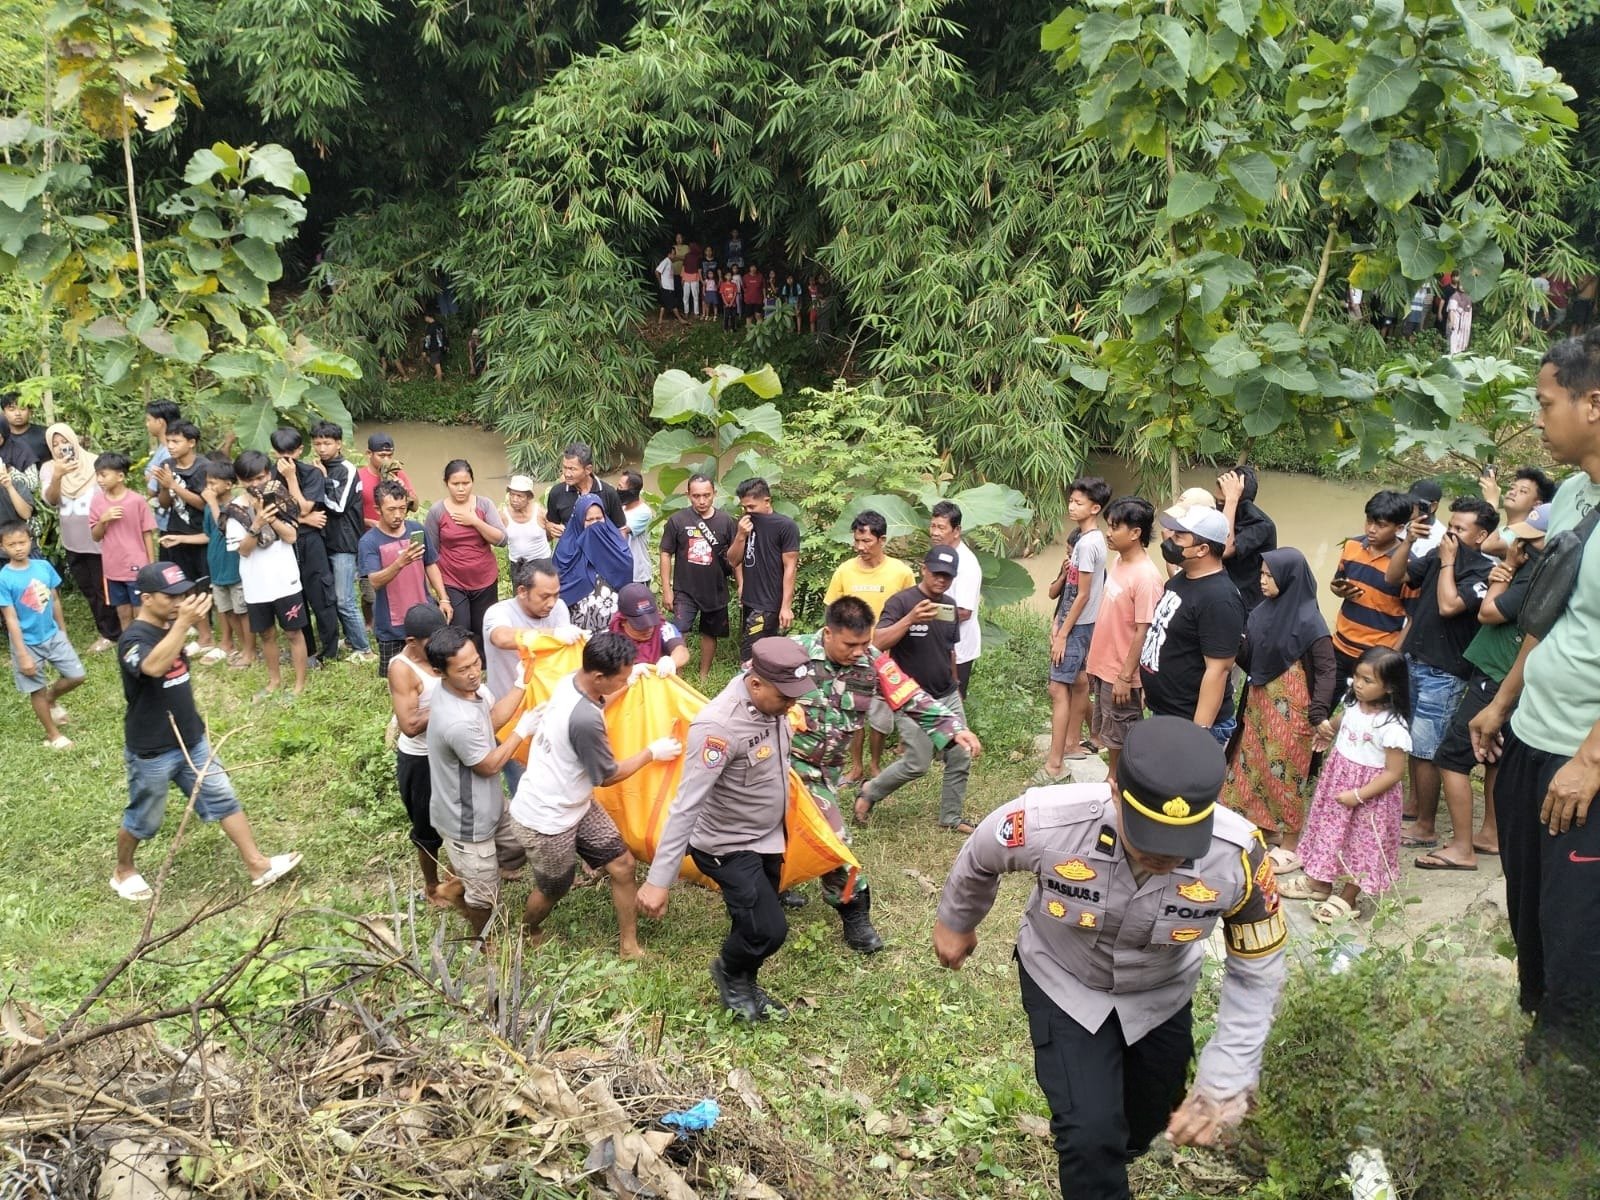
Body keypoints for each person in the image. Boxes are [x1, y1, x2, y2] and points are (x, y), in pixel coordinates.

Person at [933, 716, 1287, 1200]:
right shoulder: (1050, 820)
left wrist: (1227, 1076)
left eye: (1180, 846)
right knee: (1089, 1136)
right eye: (1149, 837)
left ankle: (1122, 1142)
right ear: (1116, 792)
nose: (1164, 858)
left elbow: (1257, 975)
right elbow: (982, 853)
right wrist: (957, 920)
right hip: (1065, 980)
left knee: (1149, 1117)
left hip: (1161, 993)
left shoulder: (1240, 857)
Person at [1470, 333, 1600, 1067]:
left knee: (1579, 927)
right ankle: (1543, 1048)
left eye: (1546, 403)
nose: (1538, 418)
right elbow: (1549, 614)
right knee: (1532, 913)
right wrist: (1504, 701)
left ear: (1594, 403)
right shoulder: (1575, 496)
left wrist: (1590, 760)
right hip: (1531, 739)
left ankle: (1573, 1079)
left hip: (1585, 765)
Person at [636, 638, 817, 1020]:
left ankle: (746, 985)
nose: (792, 705)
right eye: (785, 697)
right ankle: (730, 972)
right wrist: (658, 881)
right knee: (769, 930)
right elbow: (686, 806)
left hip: (767, 836)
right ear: (756, 684)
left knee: (751, 921)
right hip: (726, 843)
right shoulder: (718, 727)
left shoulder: (773, 704)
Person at [790, 597, 983, 950]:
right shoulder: (793, 654)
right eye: (850, 644)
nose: (859, 652)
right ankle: (834, 906)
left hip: (823, 773)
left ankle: (847, 908)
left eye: (865, 642)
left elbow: (912, 697)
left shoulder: (872, 662)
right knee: (805, 837)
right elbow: (746, 691)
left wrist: (953, 728)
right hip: (783, 764)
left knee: (822, 838)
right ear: (828, 633)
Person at [111, 561, 301, 902]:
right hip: (152, 749)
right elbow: (153, 667)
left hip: (191, 740)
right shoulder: (133, 639)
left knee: (223, 797)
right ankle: (123, 870)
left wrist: (181, 626)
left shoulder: (170, 627)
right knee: (144, 818)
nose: (179, 602)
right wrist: (183, 624)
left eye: (182, 595)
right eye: (170, 597)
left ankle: (257, 865)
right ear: (146, 598)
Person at [510, 631, 682, 957]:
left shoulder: (572, 681)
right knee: (554, 887)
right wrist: (651, 752)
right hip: (548, 817)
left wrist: (628, 683)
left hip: (576, 802)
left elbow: (600, 703)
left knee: (623, 865)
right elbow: (607, 776)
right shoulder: (584, 720)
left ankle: (629, 945)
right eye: (621, 678)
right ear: (599, 677)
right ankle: (526, 928)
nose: (624, 682)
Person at [1423, 504, 1546, 870]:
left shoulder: (1530, 576)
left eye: (1528, 539)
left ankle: (1462, 849)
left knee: (1451, 758)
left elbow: (1487, 612)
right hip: (1510, 676)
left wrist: (1504, 572)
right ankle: (1490, 834)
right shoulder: (1542, 571)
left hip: (1496, 676)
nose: (1518, 543)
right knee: (1493, 757)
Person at [1383, 495, 1496, 849]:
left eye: (1460, 528)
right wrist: (1409, 541)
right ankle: (1416, 808)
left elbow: (1449, 606)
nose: (1451, 533)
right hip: (1414, 660)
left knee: (1426, 750)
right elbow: (1393, 576)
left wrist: (1447, 562)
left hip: (1445, 672)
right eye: (1451, 525)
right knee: (1413, 744)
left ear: (1481, 536)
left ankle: (1426, 827)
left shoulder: (1484, 572)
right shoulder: (1436, 555)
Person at [1279, 648, 1411, 923]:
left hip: (1370, 797)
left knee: (1362, 843)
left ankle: (1349, 897)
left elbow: (1394, 772)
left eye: (1367, 680)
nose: (1358, 685)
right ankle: (1319, 882)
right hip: (1339, 784)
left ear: (1390, 687)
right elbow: (1342, 721)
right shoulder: (1354, 706)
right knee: (1329, 833)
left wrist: (1359, 795)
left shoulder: (1392, 726)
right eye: (1357, 677)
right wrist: (1328, 731)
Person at [425, 625, 537, 939]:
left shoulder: (465, 691)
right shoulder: (456, 721)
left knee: (523, 842)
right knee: (485, 897)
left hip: (490, 804)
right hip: (468, 820)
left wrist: (521, 684)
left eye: (476, 662)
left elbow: (489, 720)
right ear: (440, 672)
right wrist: (521, 731)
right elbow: (488, 766)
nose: (474, 673)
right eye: (463, 669)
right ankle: (483, 941)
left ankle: (461, 882)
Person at [1231, 549, 1337, 873]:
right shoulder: (1261, 612)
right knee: (1253, 766)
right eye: (1261, 574)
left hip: (1293, 712)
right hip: (1259, 705)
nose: (1262, 581)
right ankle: (1264, 828)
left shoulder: (1310, 621)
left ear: (1289, 579)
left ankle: (1291, 845)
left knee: (1287, 774)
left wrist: (1319, 714)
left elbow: (1326, 670)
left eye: (1269, 575)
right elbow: (1251, 659)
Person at [857, 547, 977, 832]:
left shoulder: (949, 606)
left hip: (946, 693)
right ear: (924, 569)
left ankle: (951, 818)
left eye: (947, 576)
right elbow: (877, 642)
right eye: (936, 573)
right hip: (910, 697)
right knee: (917, 763)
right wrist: (910, 619)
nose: (941, 580)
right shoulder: (902, 602)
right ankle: (870, 791)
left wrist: (956, 685)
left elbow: (949, 650)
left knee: (961, 754)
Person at [1139, 504, 1245, 746]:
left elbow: (1218, 670)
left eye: (1179, 536)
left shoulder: (1220, 599)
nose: (1170, 541)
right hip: (1167, 712)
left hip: (1190, 723)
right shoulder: (1180, 580)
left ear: (1202, 549)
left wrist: (1198, 735)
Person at [823, 509, 916, 782]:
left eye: (867, 541)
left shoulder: (901, 573)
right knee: (853, 711)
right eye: (857, 541)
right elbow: (832, 612)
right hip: (852, 654)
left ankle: (875, 765)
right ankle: (856, 766)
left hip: (887, 654)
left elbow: (910, 613)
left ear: (882, 540)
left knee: (881, 715)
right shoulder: (844, 571)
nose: (860, 547)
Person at [1083, 497, 1163, 781]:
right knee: (1109, 734)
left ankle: (1118, 786)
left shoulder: (1146, 578)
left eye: (1115, 527)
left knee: (1122, 736)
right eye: (1108, 526)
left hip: (1121, 673)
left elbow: (1144, 631)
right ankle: (1113, 780)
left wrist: (1126, 676)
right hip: (1105, 667)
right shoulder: (1119, 561)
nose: (1108, 533)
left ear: (1135, 533)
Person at [226, 450, 311, 699]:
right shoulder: (234, 511)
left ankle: (299, 684)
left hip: (285, 580)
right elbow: (243, 551)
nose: (256, 484)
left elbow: (291, 536)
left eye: (261, 477)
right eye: (249, 479)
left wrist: (270, 518)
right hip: (256, 583)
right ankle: (274, 681)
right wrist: (256, 524)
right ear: (239, 480)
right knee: (266, 634)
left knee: (294, 632)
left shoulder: (281, 500)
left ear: (269, 475)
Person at [1041, 477, 1109, 781]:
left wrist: (1062, 633)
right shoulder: (1087, 541)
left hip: (1078, 627)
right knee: (1079, 682)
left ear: (1095, 508)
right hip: (1082, 625)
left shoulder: (1088, 544)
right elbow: (1069, 590)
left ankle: (1055, 763)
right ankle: (1070, 744)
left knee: (1058, 689)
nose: (1071, 506)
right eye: (1071, 501)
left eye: (1079, 502)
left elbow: (1081, 595)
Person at [387, 603, 454, 908]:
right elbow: (410, 725)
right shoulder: (402, 669)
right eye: (431, 643)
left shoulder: (441, 653)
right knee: (426, 827)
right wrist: (450, 698)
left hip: (450, 752)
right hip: (421, 759)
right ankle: (431, 886)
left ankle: (456, 874)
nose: (439, 647)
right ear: (412, 642)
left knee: (461, 815)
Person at [1, 521, 85, 749]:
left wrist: (63, 631)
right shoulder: (4, 578)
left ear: (31, 541)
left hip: (52, 635)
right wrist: (22, 654)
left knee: (77, 676)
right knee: (36, 689)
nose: (18, 548)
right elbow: (10, 618)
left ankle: (51, 698)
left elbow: (55, 599)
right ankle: (53, 734)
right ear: (2, 547)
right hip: (27, 643)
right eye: (11, 544)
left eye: (22, 542)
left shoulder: (43, 566)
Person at [38, 423, 120, 650]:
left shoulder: (95, 463)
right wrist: (58, 476)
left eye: (64, 441)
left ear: (73, 440)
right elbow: (52, 500)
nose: (60, 447)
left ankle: (113, 632)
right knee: (88, 587)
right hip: (73, 540)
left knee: (104, 586)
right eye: (55, 444)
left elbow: (113, 493)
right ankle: (107, 629)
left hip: (100, 537)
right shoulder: (48, 469)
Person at [360, 480, 451, 679]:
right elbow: (374, 581)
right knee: (395, 678)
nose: (398, 515)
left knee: (433, 673)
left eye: (402, 508)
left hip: (424, 617)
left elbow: (430, 564)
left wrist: (443, 598)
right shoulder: (369, 541)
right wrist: (400, 562)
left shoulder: (416, 530)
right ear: (378, 509)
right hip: (391, 624)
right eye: (391, 509)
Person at [152, 420, 223, 662]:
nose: (170, 446)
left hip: (201, 534)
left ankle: (220, 638)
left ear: (191, 443)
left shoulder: (204, 468)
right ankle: (204, 636)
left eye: (176, 441)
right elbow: (165, 502)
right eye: (168, 441)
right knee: (186, 587)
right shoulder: (168, 465)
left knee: (206, 588)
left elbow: (204, 503)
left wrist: (174, 485)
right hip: (176, 532)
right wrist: (165, 488)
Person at [1328, 489, 1414, 686]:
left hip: (1376, 656)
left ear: (1400, 528)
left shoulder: (1408, 565)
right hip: (1339, 645)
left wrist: (1391, 658)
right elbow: (1336, 581)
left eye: (1381, 525)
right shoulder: (1352, 546)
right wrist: (1338, 590)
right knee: (1324, 700)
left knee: (1367, 705)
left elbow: (1413, 619)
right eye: (1369, 521)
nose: (1371, 529)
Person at [270, 427, 339, 666]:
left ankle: (329, 651)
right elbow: (269, 512)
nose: (287, 459)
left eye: (291, 453)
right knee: (295, 596)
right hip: (284, 543)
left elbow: (303, 507)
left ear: (300, 450)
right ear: (274, 452)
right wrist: (305, 520)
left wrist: (291, 479)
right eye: (281, 454)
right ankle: (307, 649)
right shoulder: (269, 478)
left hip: (311, 543)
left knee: (322, 596)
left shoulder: (312, 474)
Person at [659, 474, 737, 677]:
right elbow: (665, 552)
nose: (702, 501)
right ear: (688, 495)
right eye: (696, 496)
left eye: (706, 495)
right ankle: (677, 675)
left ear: (714, 494)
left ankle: (703, 676)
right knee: (679, 631)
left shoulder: (726, 522)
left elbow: (736, 557)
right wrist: (667, 589)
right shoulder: (677, 520)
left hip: (715, 589)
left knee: (710, 633)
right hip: (685, 590)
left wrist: (741, 585)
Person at [309, 421, 375, 664]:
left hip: (344, 543)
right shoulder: (319, 466)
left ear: (339, 444)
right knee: (334, 597)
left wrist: (323, 479)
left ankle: (364, 650)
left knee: (345, 599)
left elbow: (338, 506)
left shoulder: (346, 469)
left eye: (327, 443)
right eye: (317, 443)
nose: (322, 448)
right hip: (325, 540)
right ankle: (350, 639)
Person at [425, 459, 506, 648]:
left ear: (472, 482)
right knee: (459, 632)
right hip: (453, 581)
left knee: (484, 631)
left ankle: (483, 664)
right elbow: (431, 556)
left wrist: (475, 521)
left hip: (485, 580)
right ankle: (462, 662)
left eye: (466, 483)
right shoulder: (437, 512)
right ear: (446, 483)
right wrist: (439, 594)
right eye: (455, 484)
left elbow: (502, 540)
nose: (461, 489)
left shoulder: (484, 505)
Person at [484, 557, 576, 702]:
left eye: (556, 595)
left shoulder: (559, 607)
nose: (551, 603)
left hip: (545, 702)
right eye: (545, 596)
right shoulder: (498, 612)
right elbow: (501, 638)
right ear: (522, 591)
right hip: (508, 705)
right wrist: (553, 634)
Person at [728, 477, 800, 660]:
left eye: (751, 507)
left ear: (767, 501)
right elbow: (733, 561)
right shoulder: (745, 524)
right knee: (757, 653)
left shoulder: (785, 526)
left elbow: (790, 567)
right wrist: (740, 535)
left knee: (750, 655)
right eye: (744, 507)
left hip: (769, 603)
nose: (747, 511)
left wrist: (786, 607)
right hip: (749, 599)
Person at [90, 451, 157, 632]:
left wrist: (151, 564)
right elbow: (95, 536)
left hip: (137, 566)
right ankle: (128, 642)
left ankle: (144, 640)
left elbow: (147, 533)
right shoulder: (97, 502)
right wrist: (103, 520)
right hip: (113, 568)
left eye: (104, 475)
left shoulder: (137, 501)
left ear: (120, 476)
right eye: (97, 475)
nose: (99, 480)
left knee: (141, 610)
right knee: (123, 612)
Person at [553, 494, 633, 633]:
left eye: (599, 518)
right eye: (589, 520)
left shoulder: (615, 544)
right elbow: (559, 585)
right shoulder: (566, 550)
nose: (595, 523)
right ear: (579, 520)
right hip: (578, 623)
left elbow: (626, 570)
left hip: (613, 620)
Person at [200, 464, 252, 669]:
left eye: (213, 483)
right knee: (227, 610)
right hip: (217, 567)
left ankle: (250, 650)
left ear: (229, 484)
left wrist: (213, 503)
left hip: (234, 567)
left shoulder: (237, 506)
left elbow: (224, 528)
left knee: (242, 611)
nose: (209, 487)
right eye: (207, 483)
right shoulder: (208, 508)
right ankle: (244, 647)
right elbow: (209, 534)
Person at [929, 501, 982, 698]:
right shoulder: (938, 555)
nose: (935, 533)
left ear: (957, 531)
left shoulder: (967, 565)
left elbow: (964, 612)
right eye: (933, 526)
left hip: (958, 648)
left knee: (954, 701)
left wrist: (925, 614)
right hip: (937, 644)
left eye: (941, 528)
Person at [1214, 466, 1277, 611]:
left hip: (1247, 607)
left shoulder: (1262, 525)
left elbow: (1223, 549)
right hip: (1221, 595)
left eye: (1222, 502)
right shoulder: (1222, 516)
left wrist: (1231, 500)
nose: (1217, 507)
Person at [544, 442, 624, 540]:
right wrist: (550, 528)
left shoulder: (608, 493)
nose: (567, 474)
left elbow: (621, 530)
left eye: (572, 469)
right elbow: (550, 527)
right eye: (565, 467)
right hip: (571, 549)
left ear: (588, 469)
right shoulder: (557, 493)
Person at [609, 582, 689, 674]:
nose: (649, 629)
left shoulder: (663, 627)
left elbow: (681, 651)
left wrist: (671, 661)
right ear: (623, 621)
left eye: (652, 622)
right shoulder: (612, 636)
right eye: (641, 625)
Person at [1480, 464, 1556, 559]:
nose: (1512, 492)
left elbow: (1489, 546)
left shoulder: (1525, 536)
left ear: (1537, 505)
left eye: (1523, 491)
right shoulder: (1501, 530)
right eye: (1512, 488)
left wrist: (1492, 503)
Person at [358, 432, 416, 530]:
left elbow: (415, 508)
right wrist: (369, 522)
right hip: (368, 534)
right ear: (369, 453)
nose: (386, 460)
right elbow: (348, 514)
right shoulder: (358, 477)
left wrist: (405, 490)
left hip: (395, 532)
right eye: (382, 456)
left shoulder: (398, 474)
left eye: (390, 456)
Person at [500, 474, 552, 570]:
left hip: (542, 563)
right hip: (517, 565)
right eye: (512, 494)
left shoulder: (541, 513)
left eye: (519, 496)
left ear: (529, 497)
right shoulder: (503, 515)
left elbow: (550, 535)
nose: (514, 499)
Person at [142, 399, 179, 531]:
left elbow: (152, 490)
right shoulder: (162, 448)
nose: (147, 424)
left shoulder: (168, 453)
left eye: (149, 420)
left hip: (170, 521)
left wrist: (151, 478)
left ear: (160, 422)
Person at [616, 469, 654, 584]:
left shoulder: (643, 512)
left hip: (637, 574)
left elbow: (622, 531)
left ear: (631, 491)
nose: (617, 490)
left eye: (620, 487)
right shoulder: (621, 508)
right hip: (620, 571)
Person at [1405, 478, 1445, 560]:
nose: (1408, 505)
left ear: (1432, 507)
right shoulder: (1398, 523)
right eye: (1408, 500)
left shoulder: (1441, 538)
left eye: (1414, 503)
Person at [1, 395, 47, 464]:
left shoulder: (46, 434)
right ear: (4, 413)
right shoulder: (1, 438)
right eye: (12, 409)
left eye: (22, 408)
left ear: (30, 411)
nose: (17, 413)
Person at [1444, 287, 1473, 355]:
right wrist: (1452, 322)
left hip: (1464, 325)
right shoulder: (1454, 297)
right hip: (1455, 324)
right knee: (1453, 343)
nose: (1462, 287)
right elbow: (1451, 311)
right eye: (1461, 285)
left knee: (1462, 344)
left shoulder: (1468, 297)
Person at [654, 249, 679, 324]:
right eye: (673, 254)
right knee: (673, 304)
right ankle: (680, 319)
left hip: (668, 286)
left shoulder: (669, 262)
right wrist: (660, 283)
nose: (674, 255)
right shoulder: (666, 261)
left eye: (675, 254)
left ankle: (660, 320)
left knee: (664, 304)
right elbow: (657, 271)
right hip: (666, 287)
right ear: (669, 254)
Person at [421, 312, 448, 380]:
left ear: (428, 317)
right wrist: (446, 345)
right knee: (436, 363)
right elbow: (445, 336)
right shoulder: (439, 324)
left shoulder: (430, 327)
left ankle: (439, 383)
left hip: (434, 348)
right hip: (441, 348)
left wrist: (424, 350)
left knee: (437, 365)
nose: (425, 319)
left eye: (425, 317)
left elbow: (427, 339)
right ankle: (440, 373)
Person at [681, 240, 702, 318]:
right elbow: (683, 267)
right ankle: (686, 312)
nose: (688, 249)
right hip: (687, 277)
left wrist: (699, 278)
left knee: (695, 296)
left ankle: (696, 313)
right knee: (686, 296)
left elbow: (699, 269)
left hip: (694, 277)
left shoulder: (698, 257)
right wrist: (682, 278)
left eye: (690, 247)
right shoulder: (686, 256)